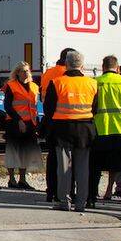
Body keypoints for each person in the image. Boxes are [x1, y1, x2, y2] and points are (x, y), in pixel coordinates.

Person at [42, 49, 96, 211]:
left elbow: (48, 109)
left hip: (62, 129)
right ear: (82, 65)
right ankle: (81, 203)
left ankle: (64, 201)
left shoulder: (57, 82)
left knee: (64, 167)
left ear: (66, 64)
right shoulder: (92, 83)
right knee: (83, 168)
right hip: (85, 129)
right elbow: (96, 108)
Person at [89, 54, 121, 210]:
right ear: (117, 68)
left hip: (101, 131)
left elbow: (92, 107)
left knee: (95, 168)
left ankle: (91, 198)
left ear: (102, 67)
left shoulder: (95, 82)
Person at [40, 48, 76, 202]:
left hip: (49, 120)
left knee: (52, 158)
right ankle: (66, 191)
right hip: (64, 119)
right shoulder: (66, 74)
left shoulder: (48, 73)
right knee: (66, 160)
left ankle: (50, 191)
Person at [1, 61, 40, 190]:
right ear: (17, 73)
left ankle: (22, 179)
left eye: (28, 71)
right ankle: (12, 179)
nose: (26, 73)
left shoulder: (34, 86)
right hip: (14, 122)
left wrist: (36, 124)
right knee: (13, 151)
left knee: (25, 152)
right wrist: (19, 120)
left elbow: (34, 107)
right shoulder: (11, 86)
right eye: (23, 71)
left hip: (30, 123)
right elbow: (7, 106)